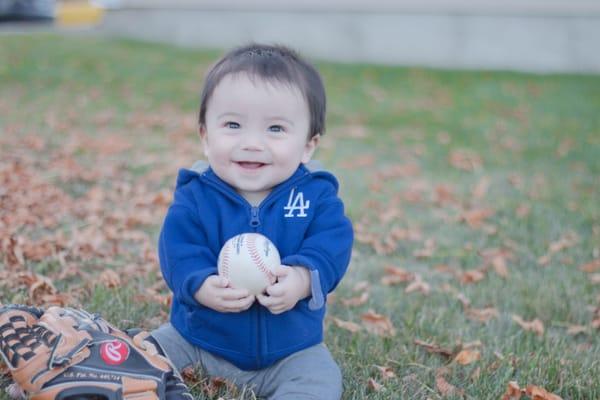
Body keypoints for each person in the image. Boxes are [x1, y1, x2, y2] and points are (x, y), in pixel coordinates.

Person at [151, 43, 354, 400]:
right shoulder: (196, 195)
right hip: (197, 339)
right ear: (205, 136)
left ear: (308, 145)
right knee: (144, 353)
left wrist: (304, 279)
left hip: (291, 352)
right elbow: (178, 248)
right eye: (233, 125)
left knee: (320, 381)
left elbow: (332, 245)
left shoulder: (316, 197)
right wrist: (199, 286)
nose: (252, 143)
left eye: (275, 129)